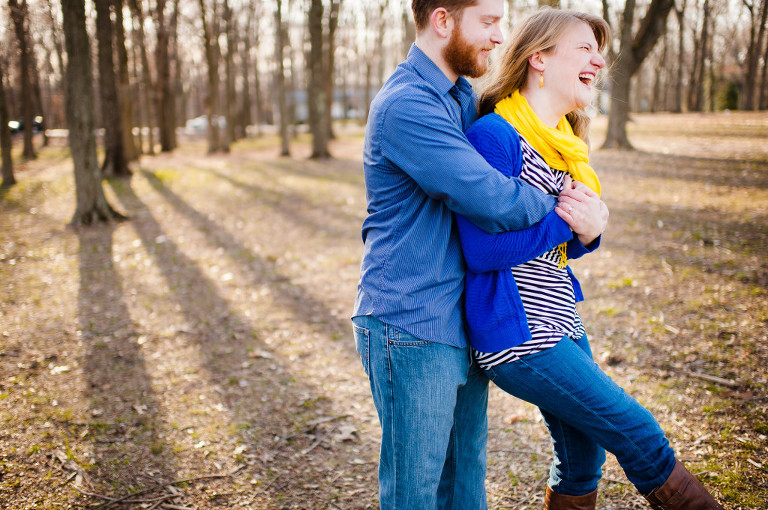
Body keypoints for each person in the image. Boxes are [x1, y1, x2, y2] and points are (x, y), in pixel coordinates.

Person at [456, 7, 725, 509]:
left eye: (599, 52)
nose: (600, 62)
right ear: (539, 58)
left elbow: (558, 245)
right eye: (584, 48)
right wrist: (566, 222)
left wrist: (588, 231)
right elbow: (481, 251)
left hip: (562, 321)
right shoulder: (495, 136)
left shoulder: (565, 143)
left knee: (582, 459)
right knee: (638, 433)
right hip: (520, 335)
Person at [351, 1, 603, 508]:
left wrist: (582, 222)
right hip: (412, 320)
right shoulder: (407, 105)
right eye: (488, 22)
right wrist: (568, 207)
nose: (499, 36)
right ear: (443, 20)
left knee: (465, 479)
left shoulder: (464, 98)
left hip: (461, 318)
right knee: (415, 491)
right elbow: (489, 196)